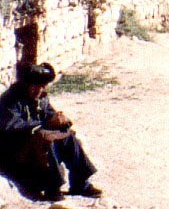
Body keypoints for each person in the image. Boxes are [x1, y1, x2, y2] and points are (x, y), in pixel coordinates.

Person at [0, 62, 102, 201]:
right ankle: (52, 187)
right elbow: (13, 126)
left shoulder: (40, 98)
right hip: (15, 151)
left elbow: (49, 115)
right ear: (27, 84)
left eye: (43, 86)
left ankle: (80, 183)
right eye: (38, 86)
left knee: (68, 137)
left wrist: (59, 121)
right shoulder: (9, 100)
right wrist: (42, 126)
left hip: (36, 143)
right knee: (46, 138)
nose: (42, 90)